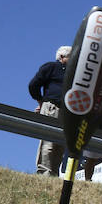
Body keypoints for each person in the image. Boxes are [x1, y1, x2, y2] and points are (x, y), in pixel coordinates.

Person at [28, 44, 70, 176]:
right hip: (52, 106)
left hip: (66, 111)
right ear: (62, 57)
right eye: (71, 56)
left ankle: (54, 174)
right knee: (48, 142)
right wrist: (41, 101)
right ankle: (44, 173)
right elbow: (33, 85)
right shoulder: (51, 67)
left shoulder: (73, 73)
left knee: (60, 144)